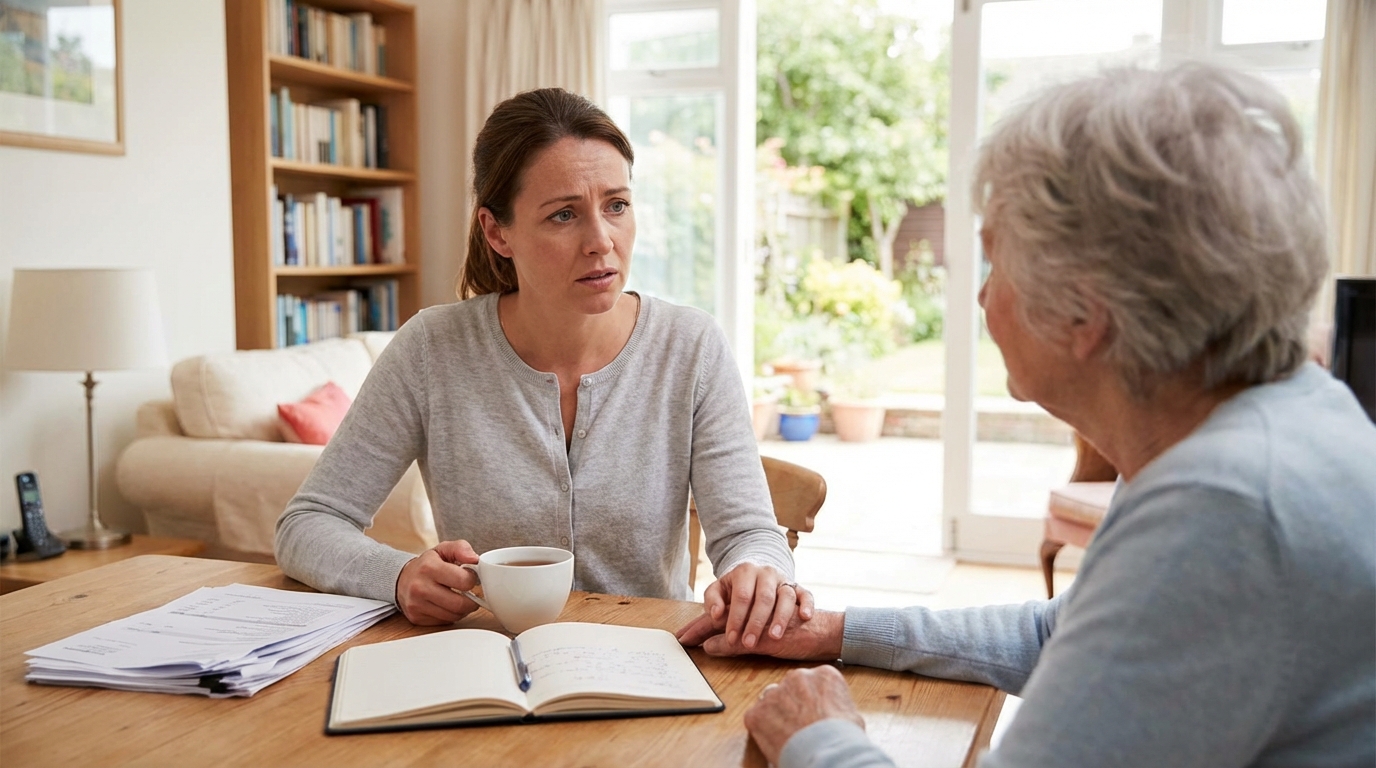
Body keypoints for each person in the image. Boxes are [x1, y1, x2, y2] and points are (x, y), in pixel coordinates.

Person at [677, 63, 1376, 767]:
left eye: (994, 266)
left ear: (1082, 312)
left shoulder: (1223, 510)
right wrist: (834, 630)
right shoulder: (1272, 423)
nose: (982, 302)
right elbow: (1059, 637)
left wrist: (817, 739)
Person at [277, 88, 812, 647]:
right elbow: (307, 524)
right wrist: (396, 575)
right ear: (497, 232)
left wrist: (760, 571)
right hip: (489, 666)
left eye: (617, 205)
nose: (601, 241)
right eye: (563, 215)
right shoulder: (431, 350)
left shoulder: (691, 346)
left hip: (650, 660)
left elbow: (750, 533)